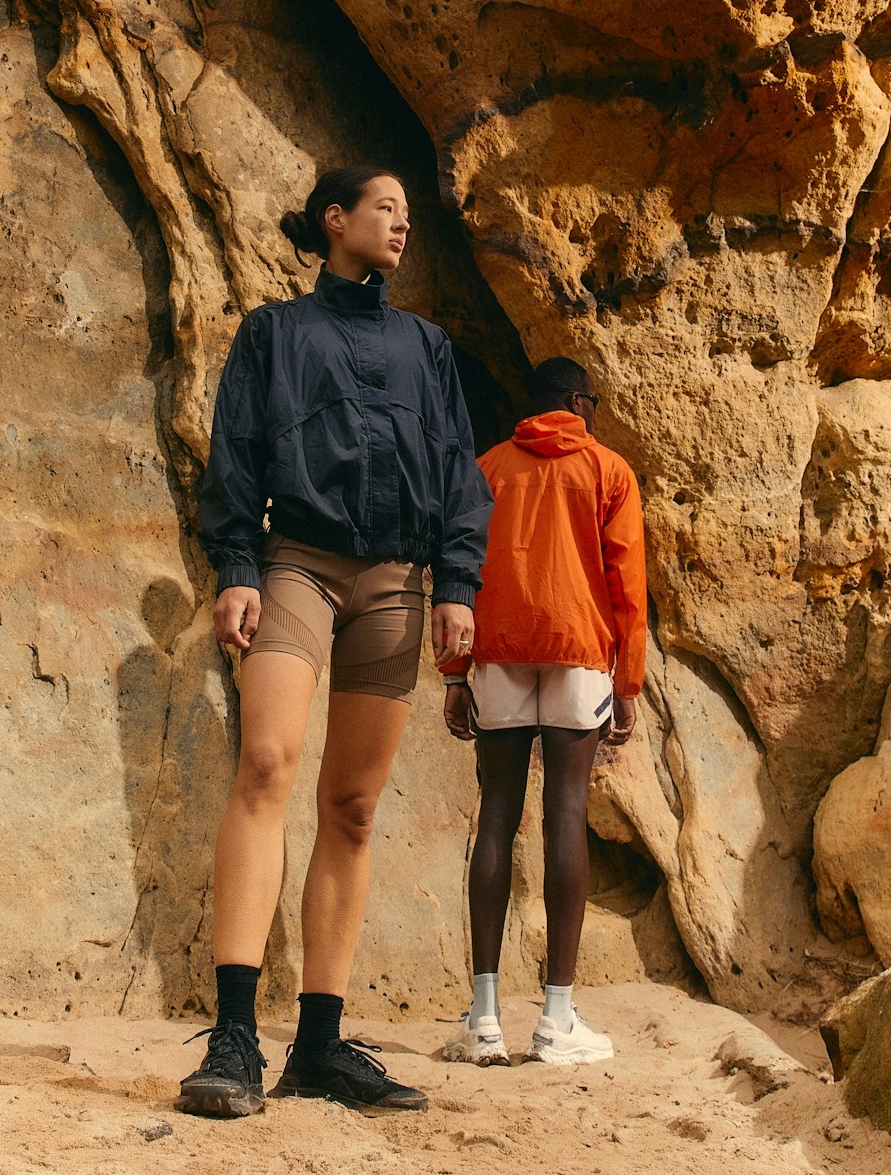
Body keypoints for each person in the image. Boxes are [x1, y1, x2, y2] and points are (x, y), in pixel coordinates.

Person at [176, 165, 491, 1119]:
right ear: (335, 218)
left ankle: (318, 1044)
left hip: (397, 584)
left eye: (406, 214)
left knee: (352, 807)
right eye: (385, 208)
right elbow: (236, 449)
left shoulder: (426, 346)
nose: (401, 225)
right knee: (266, 765)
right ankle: (235, 1037)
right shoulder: (274, 331)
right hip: (297, 566)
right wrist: (237, 565)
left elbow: (456, 468)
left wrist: (457, 584)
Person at [441, 357, 647, 1068]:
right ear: (578, 402)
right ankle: (557, 1017)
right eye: (594, 401)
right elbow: (627, 582)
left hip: (498, 648)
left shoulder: (489, 468)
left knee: (497, 811)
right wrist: (629, 681)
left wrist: (454, 673)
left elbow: (459, 564)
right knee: (566, 810)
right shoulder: (608, 471)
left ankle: (484, 1018)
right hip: (579, 650)